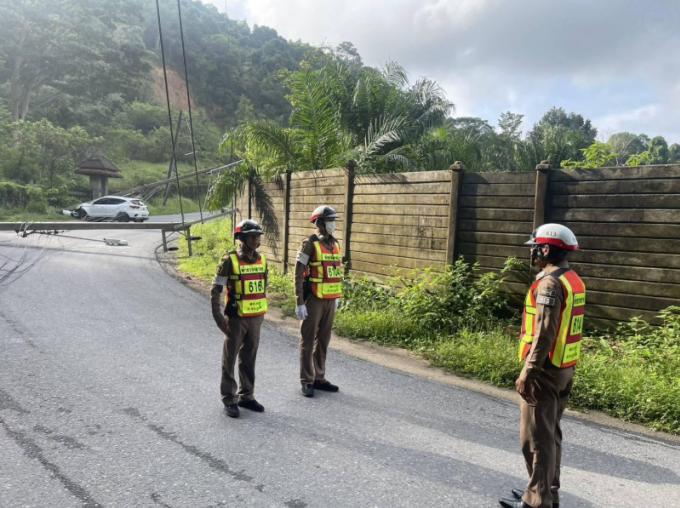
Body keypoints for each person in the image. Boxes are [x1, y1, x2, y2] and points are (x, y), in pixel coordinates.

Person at [500, 223, 585, 508]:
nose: (532, 252)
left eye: (535, 247)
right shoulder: (572, 279)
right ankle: (544, 491)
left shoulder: (550, 283)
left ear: (546, 249)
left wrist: (529, 370)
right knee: (550, 435)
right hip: (564, 367)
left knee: (534, 439)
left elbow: (545, 332)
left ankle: (537, 501)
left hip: (545, 371)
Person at [210, 219, 268, 418]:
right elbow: (216, 289)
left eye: (258, 236)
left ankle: (247, 396)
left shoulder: (262, 260)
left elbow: (263, 287)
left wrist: (261, 314)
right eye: (252, 236)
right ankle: (229, 398)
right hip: (235, 319)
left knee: (249, 358)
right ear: (241, 238)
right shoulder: (229, 260)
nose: (256, 240)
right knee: (230, 358)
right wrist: (218, 316)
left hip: (256, 317)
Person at [294, 205, 343, 397]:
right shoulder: (309, 244)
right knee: (308, 340)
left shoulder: (335, 244)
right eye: (330, 221)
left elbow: (335, 272)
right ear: (320, 223)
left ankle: (319, 377)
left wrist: (337, 297)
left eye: (333, 220)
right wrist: (299, 301)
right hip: (313, 299)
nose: (333, 224)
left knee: (323, 340)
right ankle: (307, 380)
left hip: (330, 299)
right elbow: (298, 273)